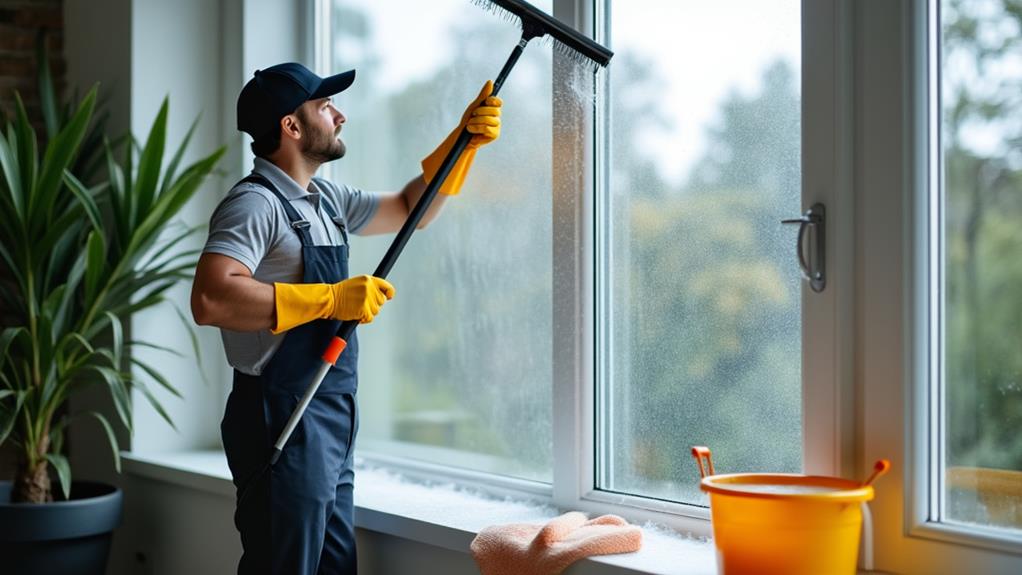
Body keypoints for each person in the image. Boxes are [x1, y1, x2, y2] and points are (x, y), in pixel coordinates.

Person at [189, 62, 502, 574]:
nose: (341, 115)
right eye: (325, 106)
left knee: (333, 566)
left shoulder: (326, 200)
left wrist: (461, 144)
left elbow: (408, 208)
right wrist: (330, 299)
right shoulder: (253, 204)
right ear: (291, 126)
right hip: (279, 415)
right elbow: (212, 299)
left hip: (331, 410)